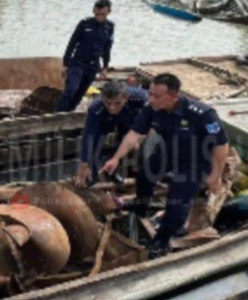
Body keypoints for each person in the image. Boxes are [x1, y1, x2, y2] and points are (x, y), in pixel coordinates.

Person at [100, 73, 229, 258]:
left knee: (177, 202)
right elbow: (134, 134)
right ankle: (141, 205)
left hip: (196, 161)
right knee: (144, 176)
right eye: (150, 93)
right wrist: (115, 158)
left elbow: (222, 145)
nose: (151, 99)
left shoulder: (202, 114)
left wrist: (215, 177)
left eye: (157, 96)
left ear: (174, 96)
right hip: (168, 152)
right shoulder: (151, 108)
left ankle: (163, 238)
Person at [75, 81, 148, 187]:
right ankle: (91, 175)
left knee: (124, 144)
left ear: (126, 98)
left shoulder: (140, 97)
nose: (112, 107)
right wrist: (84, 164)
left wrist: (141, 135)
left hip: (129, 116)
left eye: (117, 103)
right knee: (96, 143)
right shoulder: (96, 108)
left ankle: (114, 171)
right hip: (106, 118)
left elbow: (152, 113)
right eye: (108, 103)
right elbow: (89, 136)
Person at [55, 0, 115, 112]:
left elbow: (107, 49)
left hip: (93, 66)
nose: (100, 17)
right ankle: (56, 114)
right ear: (93, 11)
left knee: (79, 94)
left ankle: (68, 113)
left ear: (109, 12)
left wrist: (105, 67)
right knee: (71, 90)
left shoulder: (110, 27)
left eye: (103, 14)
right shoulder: (85, 23)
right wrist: (65, 64)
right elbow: (72, 43)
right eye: (97, 14)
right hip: (78, 63)